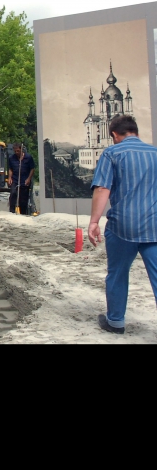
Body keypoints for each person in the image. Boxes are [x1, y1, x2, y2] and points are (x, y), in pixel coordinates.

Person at [88, 114, 157, 335]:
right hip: (154, 226)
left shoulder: (111, 153)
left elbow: (102, 189)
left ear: (115, 135)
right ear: (136, 132)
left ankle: (116, 322)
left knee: (117, 273)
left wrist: (94, 222)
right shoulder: (155, 153)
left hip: (123, 226)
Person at [8, 143, 35, 214]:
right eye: (15, 151)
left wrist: (29, 179)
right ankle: (12, 212)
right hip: (15, 179)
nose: (16, 153)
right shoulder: (11, 158)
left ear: (21, 150)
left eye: (18, 151)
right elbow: (10, 169)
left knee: (23, 199)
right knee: (13, 194)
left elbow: (32, 169)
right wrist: (10, 177)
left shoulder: (28, 157)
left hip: (25, 180)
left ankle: (23, 213)